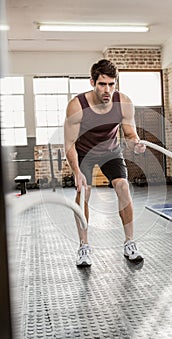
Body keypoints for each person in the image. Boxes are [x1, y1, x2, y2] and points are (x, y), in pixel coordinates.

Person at [64, 59, 146, 266]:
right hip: (84, 152)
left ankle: (129, 243)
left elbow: (129, 132)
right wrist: (77, 172)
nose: (107, 89)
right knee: (84, 191)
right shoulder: (77, 106)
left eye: (111, 84)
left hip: (110, 151)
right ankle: (83, 246)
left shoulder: (124, 103)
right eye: (102, 84)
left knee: (123, 186)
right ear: (92, 82)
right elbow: (69, 143)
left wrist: (136, 142)